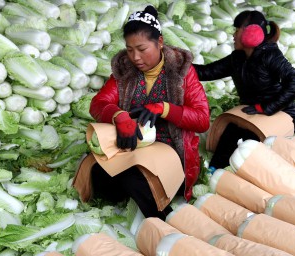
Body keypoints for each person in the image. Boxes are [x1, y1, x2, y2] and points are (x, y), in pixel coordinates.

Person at [88, 6, 210, 219]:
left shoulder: (182, 72)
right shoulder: (125, 72)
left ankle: (167, 221)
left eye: (142, 49)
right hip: (133, 145)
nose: (135, 57)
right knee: (96, 173)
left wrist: (165, 109)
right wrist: (119, 116)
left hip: (170, 151)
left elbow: (202, 119)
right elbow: (99, 103)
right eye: (129, 49)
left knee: (131, 177)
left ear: (160, 42)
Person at [193, 10, 295, 170]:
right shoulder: (237, 58)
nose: (233, 35)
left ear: (251, 33)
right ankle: (213, 172)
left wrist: (266, 108)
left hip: (281, 113)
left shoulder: (271, 55)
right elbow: (206, 72)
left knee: (248, 142)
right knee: (229, 133)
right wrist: (174, 63)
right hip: (253, 113)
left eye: (236, 30)